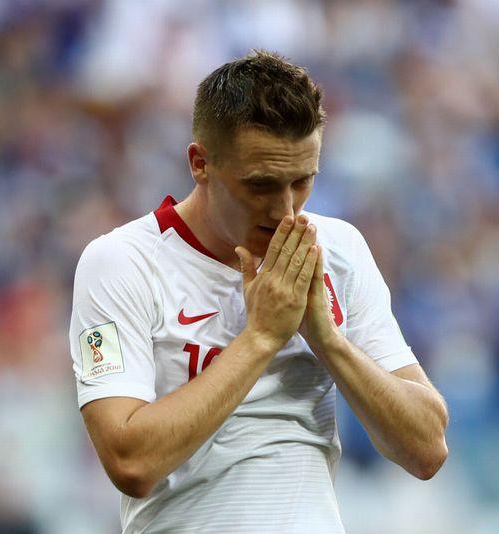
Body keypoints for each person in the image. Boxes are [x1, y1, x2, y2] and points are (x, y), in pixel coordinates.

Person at [69, 50, 449, 533]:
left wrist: (328, 341)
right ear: (200, 163)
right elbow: (130, 462)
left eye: (302, 181)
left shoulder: (339, 250)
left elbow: (427, 448)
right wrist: (261, 337)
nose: (285, 210)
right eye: (261, 185)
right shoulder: (121, 262)